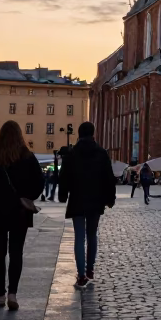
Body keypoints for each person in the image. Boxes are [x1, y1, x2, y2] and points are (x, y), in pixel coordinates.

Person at [0, 121, 45, 310]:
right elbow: (39, 183)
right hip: (19, 212)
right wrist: (27, 196)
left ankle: (0, 294)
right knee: (16, 253)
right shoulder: (28, 157)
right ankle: (13, 293)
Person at [58, 123, 116, 288]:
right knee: (92, 235)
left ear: (78, 133)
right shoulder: (101, 153)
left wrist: (63, 195)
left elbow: (64, 177)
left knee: (79, 237)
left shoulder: (72, 153)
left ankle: (81, 275)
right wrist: (110, 198)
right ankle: (90, 270)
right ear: (93, 134)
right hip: (95, 199)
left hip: (77, 199)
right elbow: (108, 178)